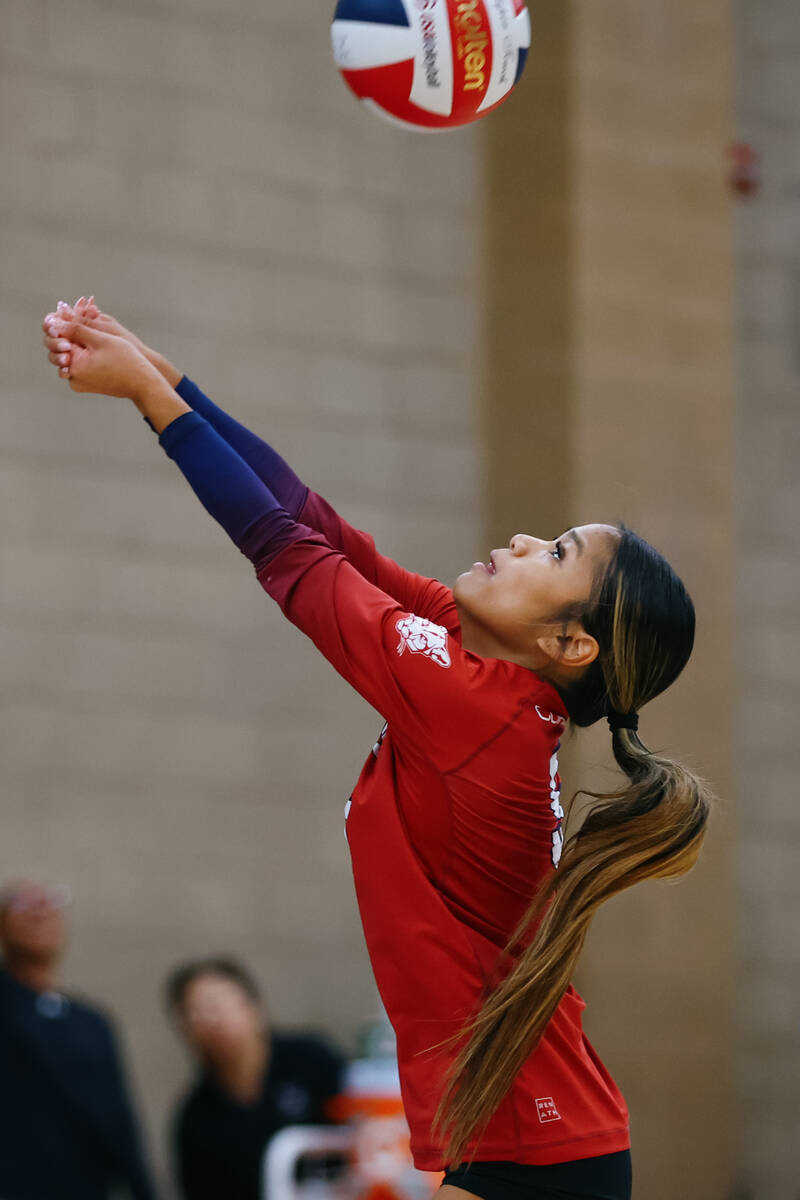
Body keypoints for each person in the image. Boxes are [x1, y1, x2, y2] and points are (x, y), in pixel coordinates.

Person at [42, 298, 714, 1200]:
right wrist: (162, 379)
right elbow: (316, 522)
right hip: (523, 1143)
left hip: (537, 1151)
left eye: (553, 554)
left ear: (571, 646)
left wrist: (156, 406)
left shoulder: (479, 712)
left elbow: (284, 551)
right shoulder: (477, 664)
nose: (521, 540)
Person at [0, 879, 158, 1200]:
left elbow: (121, 1120)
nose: (40, 912)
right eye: (21, 904)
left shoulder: (92, 1022)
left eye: (51, 903)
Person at [165, 956, 345, 1200]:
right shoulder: (196, 1118)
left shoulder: (312, 1060)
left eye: (217, 1005)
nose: (211, 1020)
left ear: (253, 1006)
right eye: (195, 1012)